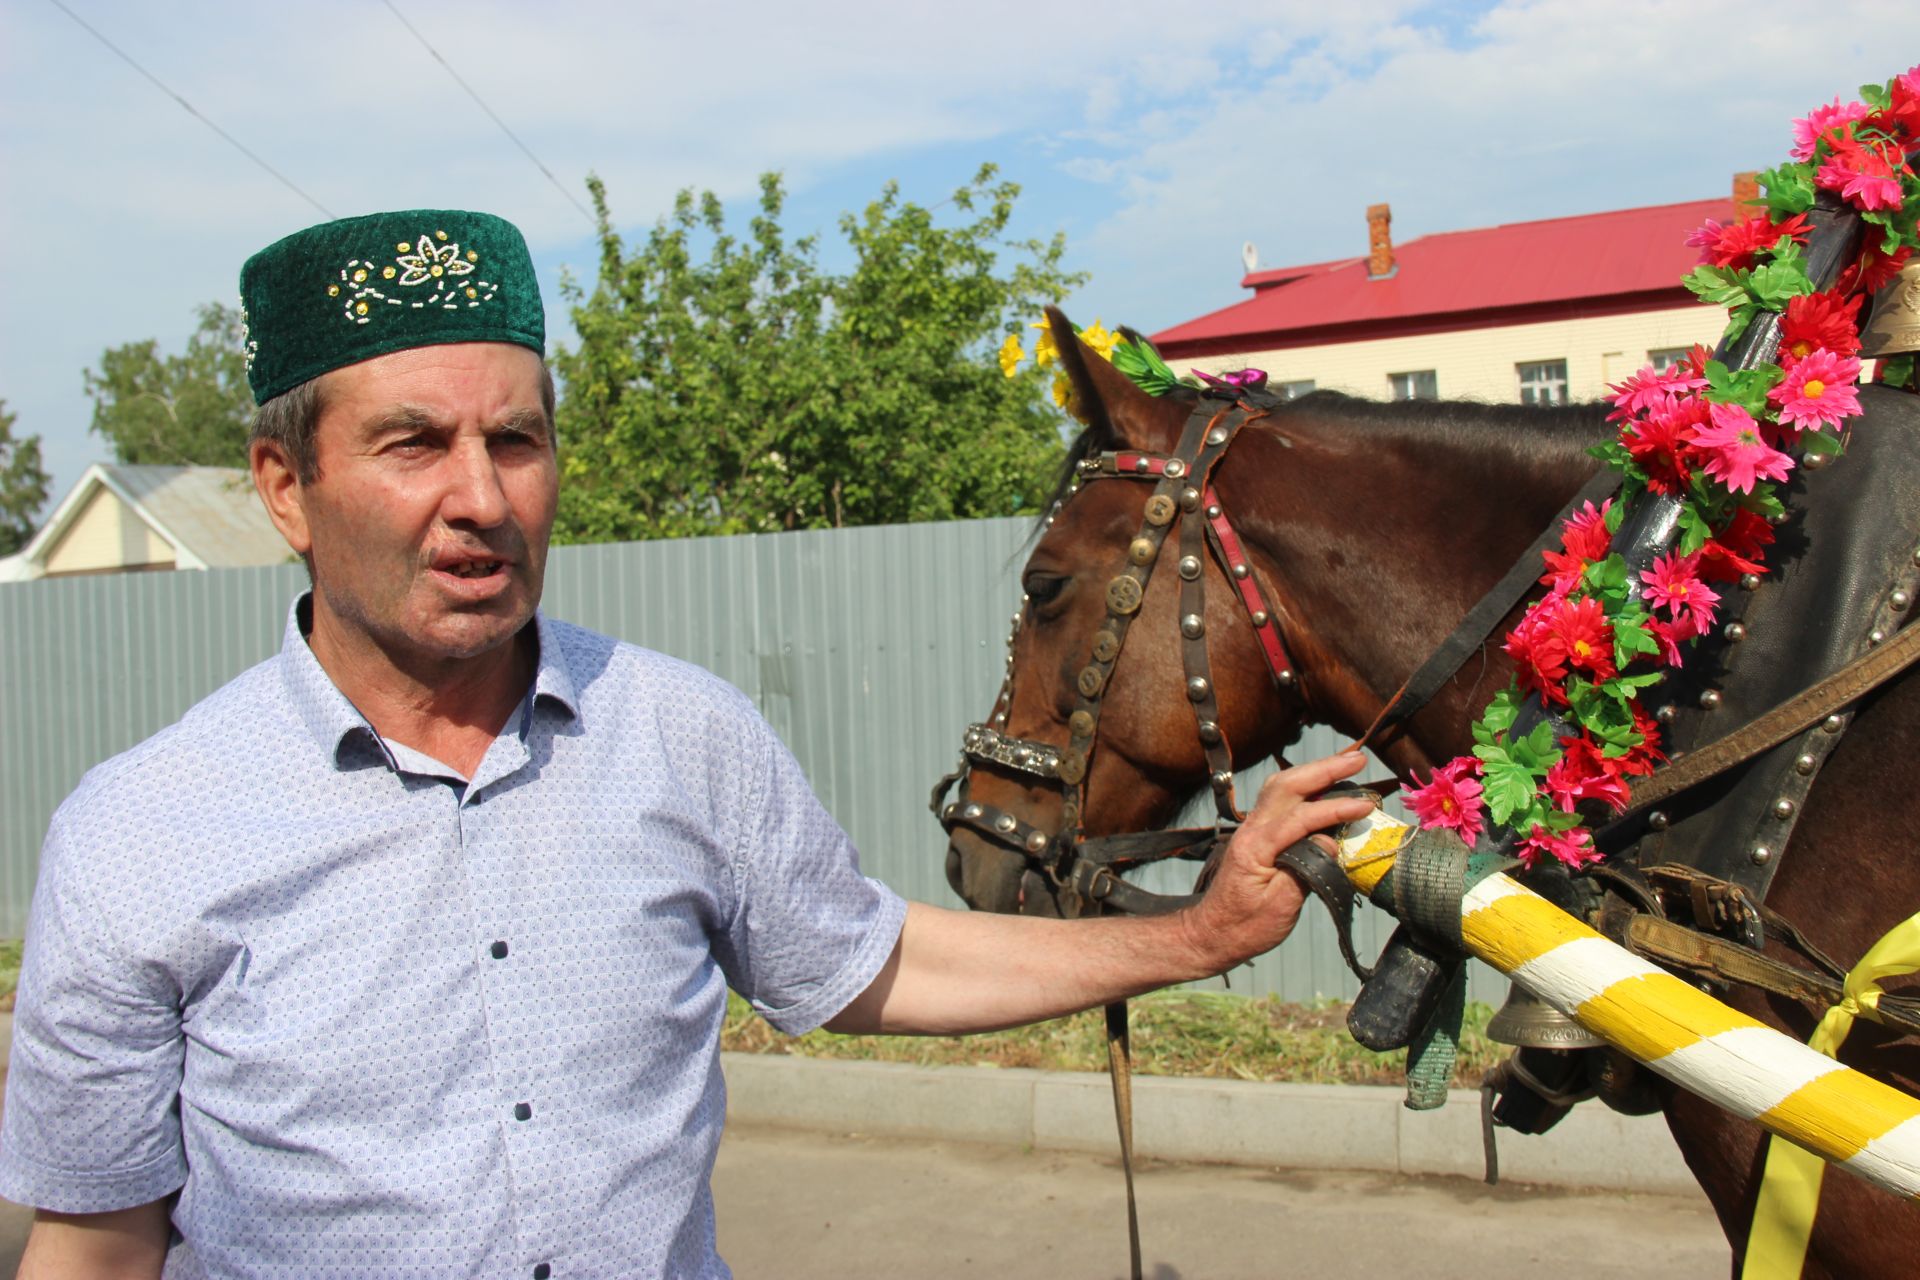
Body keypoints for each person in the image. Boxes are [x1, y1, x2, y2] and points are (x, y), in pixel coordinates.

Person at [0, 210, 1372, 1278]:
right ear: (286, 489)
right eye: (414, 445)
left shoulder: (676, 734)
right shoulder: (142, 836)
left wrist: (1196, 938)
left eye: (517, 441)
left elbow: (858, 959)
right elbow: (99, 1245)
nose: (482, 499)